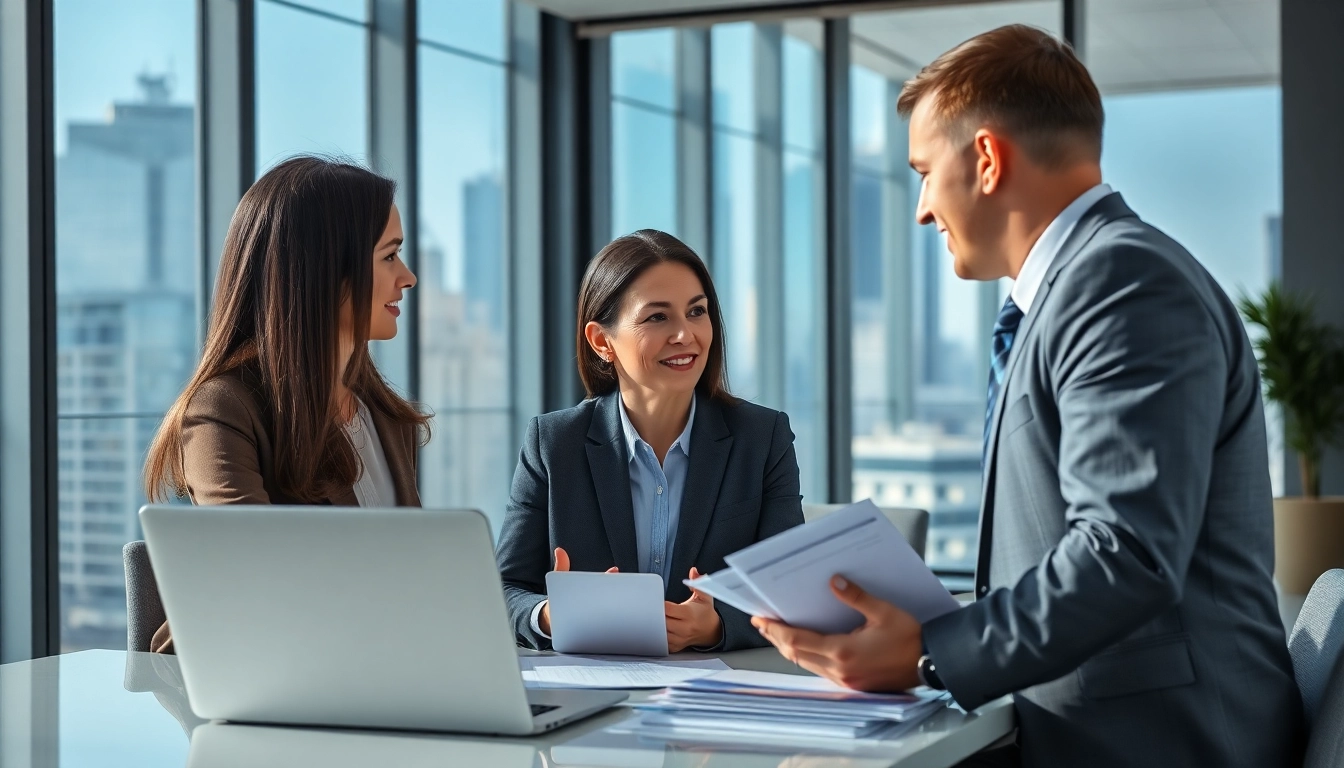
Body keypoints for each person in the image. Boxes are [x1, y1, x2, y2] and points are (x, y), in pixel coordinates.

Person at [752, 25, 1304, 767]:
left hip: (1163, 744)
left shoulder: (1122, 285)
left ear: (984, 159)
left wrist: (927, 653)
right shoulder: (1076, 291)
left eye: (924, 171)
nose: (920, 208)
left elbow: (1126, 551)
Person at [142, 156, 430, 654]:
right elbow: (255, 581)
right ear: (321, 271)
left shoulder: (385, 417)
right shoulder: (222, 410)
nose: (408, 278)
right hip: (274, 689)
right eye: (389, 257)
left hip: (387, 676)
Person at [496, 229, 804, 653]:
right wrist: (551, 614)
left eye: (696, 312)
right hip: (591, 689)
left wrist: (715, 625)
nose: (685, 335)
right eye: (657, 317)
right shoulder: (553, 444)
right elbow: (504, 590)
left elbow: (791, 591)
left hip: (716, 696)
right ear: (602, 341)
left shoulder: (763, 439)